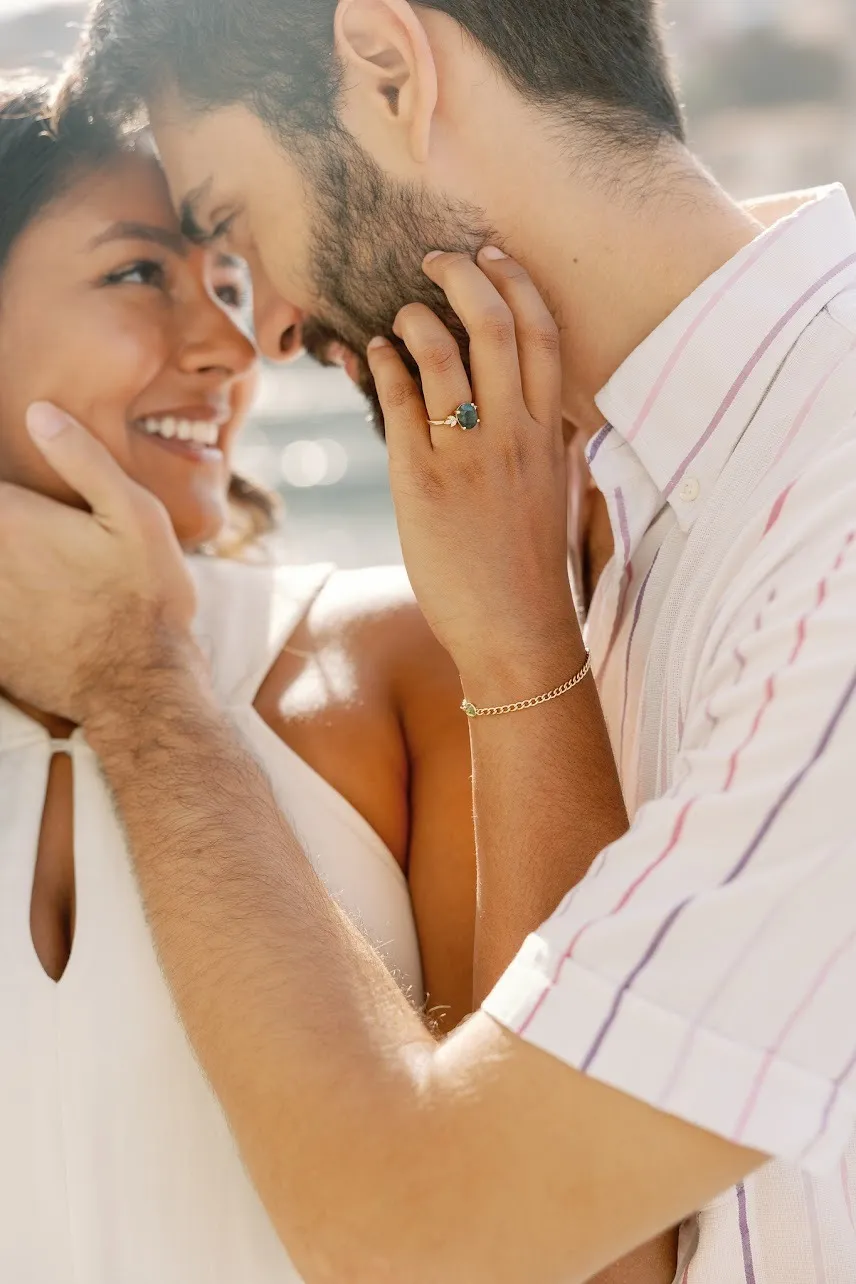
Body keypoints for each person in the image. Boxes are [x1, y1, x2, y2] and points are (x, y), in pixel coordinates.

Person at [1, 0, 856, 1280]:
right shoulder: (629, 521)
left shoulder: (821, 520)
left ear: (392, 68)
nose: (267, 336)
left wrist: (142, 683)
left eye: (232, 224)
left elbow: (437, 1241)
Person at [0, 79, 489, 1283]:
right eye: (139, 274)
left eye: (227, 282)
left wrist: (142, 676)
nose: (228, 349)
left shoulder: (401, 664)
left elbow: (555, 1233)